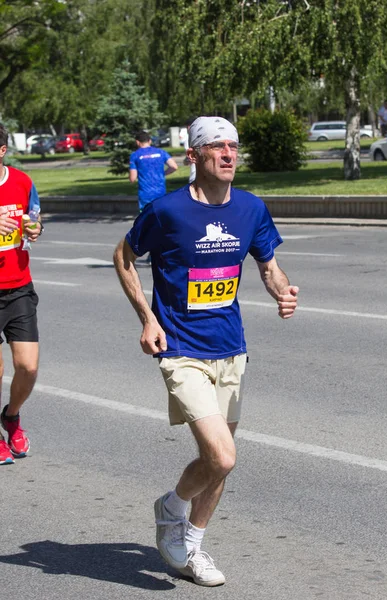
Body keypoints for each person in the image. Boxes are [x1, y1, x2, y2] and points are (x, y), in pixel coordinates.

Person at [113, 116, 298, 586]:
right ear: (194, 157)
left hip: (230, 348)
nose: (229, 155)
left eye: (234, 146)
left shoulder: (251, 208)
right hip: (180, 348)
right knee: (222, 457)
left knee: (220, 460)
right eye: (217, 147)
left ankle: (191, 546)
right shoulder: (167, 211)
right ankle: (172, 507)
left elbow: (268, 265)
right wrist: (148, 318)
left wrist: (282, 290)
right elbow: (124, 256)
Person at [0, 123, 43, 465]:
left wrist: (36, 227)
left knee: (27, 368)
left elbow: (34, 218)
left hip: (18, 287)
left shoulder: (22, 182)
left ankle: (11, 416)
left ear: (2, 150)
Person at [129, 130, 178, 212]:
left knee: (146, 218)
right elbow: (174, 166)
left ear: (137, 142)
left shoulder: (135, 155)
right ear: (150, 141)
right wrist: (163, 173)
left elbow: (132, 178)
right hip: (160, 191)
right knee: (160, 216)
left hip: (145, 193)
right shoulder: (161, 152)